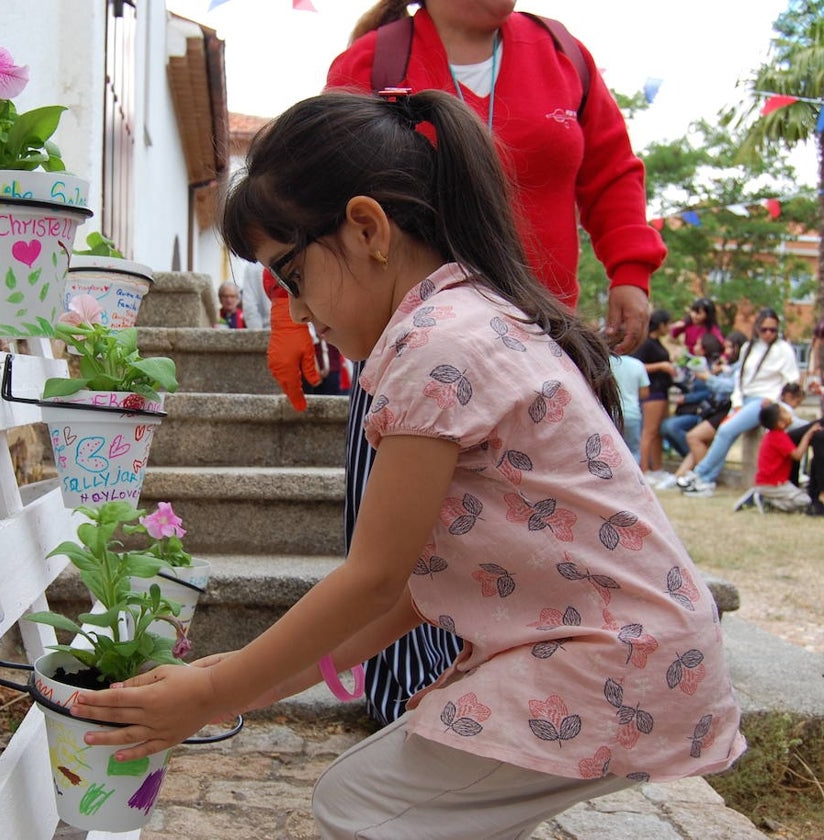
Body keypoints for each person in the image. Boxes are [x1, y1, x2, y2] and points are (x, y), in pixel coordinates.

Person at [72, 90, 744, 839]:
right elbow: (413, 598)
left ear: (366, 228)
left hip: (613, 662)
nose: (295, 312)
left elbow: (374, 578)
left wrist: (215, 695)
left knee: (363, 808)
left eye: (290, 274)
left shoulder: (435, 347)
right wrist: (243, 681)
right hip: (627, 653)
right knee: (422, 804)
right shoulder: (466, 320)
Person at [321, 0, 668, 728]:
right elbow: (312, 198)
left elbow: (611, 170)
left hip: (538, 349)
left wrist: (630, 267)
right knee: (407, 547)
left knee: (545, 548)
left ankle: (529, 718)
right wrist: (290, 309)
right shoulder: (371, 63)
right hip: (413, 357)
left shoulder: (562, 54)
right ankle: (403, 718)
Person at [679, 309, 802, 498]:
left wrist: (776, 400)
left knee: (726, 430)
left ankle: (702, 475)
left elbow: (792, 380)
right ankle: (704, 477)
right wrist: (737, 403)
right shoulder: (749, 347)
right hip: (745, 399)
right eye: (764, 329)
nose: (768, 333)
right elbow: (740, 379)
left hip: (765, 400)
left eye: (773, 329)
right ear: (757, 328)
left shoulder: (783, 349)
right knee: (724, 431)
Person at [656, 331, 741, 489]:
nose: (726, 351)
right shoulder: (720, 366)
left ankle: (703, 478)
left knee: (693, 437)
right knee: (696, 440)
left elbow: (729, 387)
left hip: (723, 409)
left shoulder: (733, 367)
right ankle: (678, 477)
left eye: (730, 348)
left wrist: (709, 377)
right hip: (713, 409)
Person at [736, 401, 819, 513]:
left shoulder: (771, 436)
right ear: (780, 423)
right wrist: (808, 435)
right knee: (804, 501)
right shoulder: (780, 438)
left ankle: (761, 496)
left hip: (765, 482)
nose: (789, 414)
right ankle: (768, 502)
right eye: (785, 412)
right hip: (774, 484)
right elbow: (797, 455)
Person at [631, 310, 676, 484]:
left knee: (658, 432)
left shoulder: (658, 343)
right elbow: (638, 366)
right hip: (653, 391)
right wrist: (661, 366)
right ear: (661, 324)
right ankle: (644, 469)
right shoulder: (646, 344)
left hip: (663, 390)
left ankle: (657, 467)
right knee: (649, 431)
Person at [610, 354, 649, 463]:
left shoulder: (606, 361)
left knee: (612, 449)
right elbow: (644, 393)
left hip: (611, 412)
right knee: (633, 451)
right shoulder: (638, 364)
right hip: (632, 413)